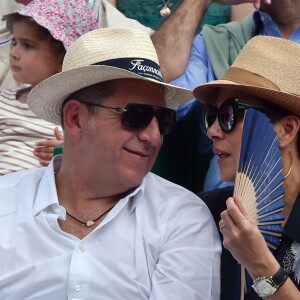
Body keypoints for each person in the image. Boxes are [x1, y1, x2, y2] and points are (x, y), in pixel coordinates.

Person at [0, 27, 221, 299]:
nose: (154, 137)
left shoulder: (182, 218)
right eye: (135, 115)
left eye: (164, 120)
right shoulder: (5, 202)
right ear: (75, 119)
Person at [149, 0, 300, 193]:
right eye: (221, 114)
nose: (214, 129)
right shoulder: (219, 42)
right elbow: (150, 91)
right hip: (222, 210)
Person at [195, 35, 300, 299]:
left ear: (286, 130)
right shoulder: (206, 212)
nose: (213, 131)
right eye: (210, 115)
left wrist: (260, 264)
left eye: (229, 115)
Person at [0, 0, 98, 175]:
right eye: (14, 42)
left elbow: (97, 160)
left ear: (63, 60)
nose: (13, 53)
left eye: (27, 45)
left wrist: (68, 152)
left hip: (46, 197)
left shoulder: (80, 114)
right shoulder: (4, 101)